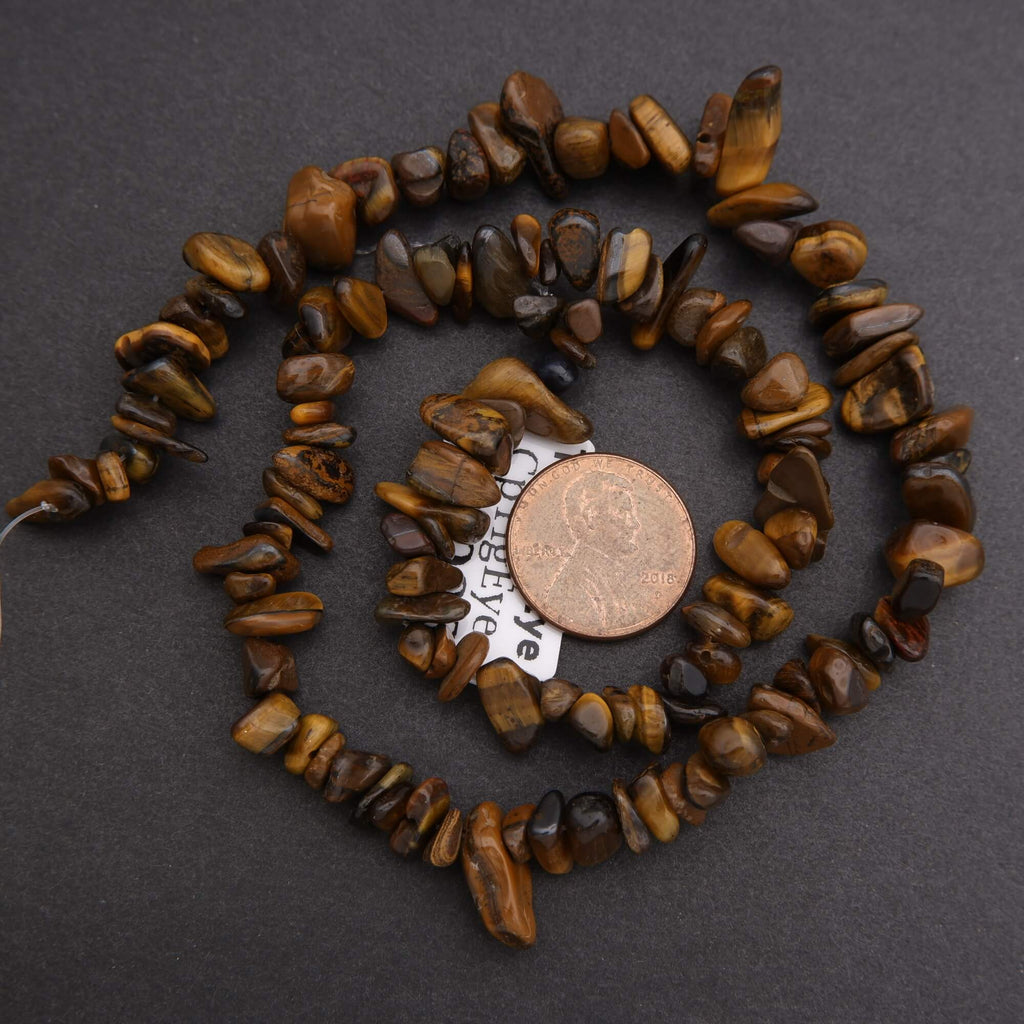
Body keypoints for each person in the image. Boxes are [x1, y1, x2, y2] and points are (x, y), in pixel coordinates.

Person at [544, 471, 641, 631]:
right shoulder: (575, 588)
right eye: (623, 511)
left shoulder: (609, 577)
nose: (634, 524)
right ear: (591, 517)